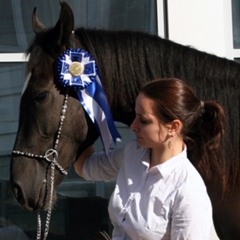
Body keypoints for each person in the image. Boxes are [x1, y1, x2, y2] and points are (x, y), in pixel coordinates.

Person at [74, 78, 223, 240]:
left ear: (173, 127)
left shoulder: (188, 191)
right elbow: (87, 167)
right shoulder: (132, 153)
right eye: (135, 116)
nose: (133, 125)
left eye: (143, 120)